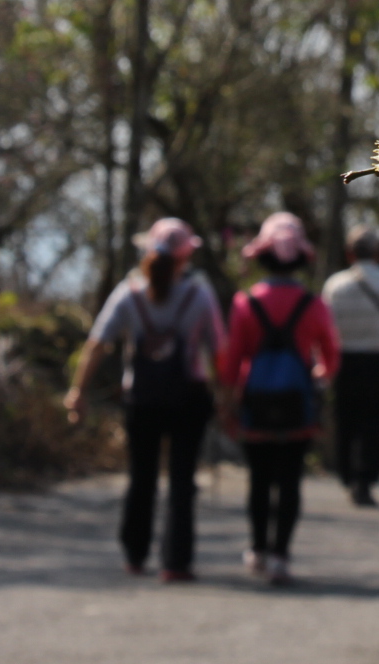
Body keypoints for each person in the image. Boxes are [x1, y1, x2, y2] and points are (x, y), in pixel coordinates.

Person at [65, 218, 223, 582]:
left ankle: (135, 554)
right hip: (189, 398)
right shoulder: (199, 294)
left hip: (142, 398)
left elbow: (98, 343)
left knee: (142, 477)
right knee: (183, 480)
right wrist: (227, 397)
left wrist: (78, 391)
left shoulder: (129, 294)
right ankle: (176, 562)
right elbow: (219, 347)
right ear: (186, 257)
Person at [218, 212, 340, 587]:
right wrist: (319, 378)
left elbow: (231, 358)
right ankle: (280, 556)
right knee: (290, 481)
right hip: (297, 405)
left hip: (255, 402)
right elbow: (332, 355)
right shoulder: (313, 304)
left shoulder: (245, 304)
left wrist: (228, 399)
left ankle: (257, 548)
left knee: (258, 479)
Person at [322, 225, 379, 507]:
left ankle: (348, 475)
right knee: (375, 423)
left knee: (346, 420)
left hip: (345, 363)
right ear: (378, 253)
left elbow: (325, 329)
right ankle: (365, 478)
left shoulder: (335, 286)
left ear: (349, 253)